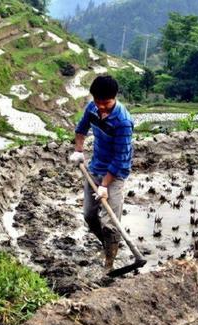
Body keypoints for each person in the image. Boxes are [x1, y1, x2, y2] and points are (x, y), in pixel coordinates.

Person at [69, 75, 134, 270]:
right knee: (89, 215)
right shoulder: (92, 108)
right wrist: (79, 151)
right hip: (95, 167)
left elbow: (120, 159)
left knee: (110, 223)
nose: (101, 106)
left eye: (105, 102)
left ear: (114, 98)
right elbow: (81, 129)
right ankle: (106, 245)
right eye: (98, 101)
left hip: (115, 173)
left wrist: (105, 186)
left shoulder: (123, 122)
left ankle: (109, 263)